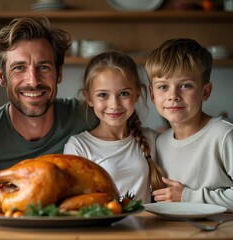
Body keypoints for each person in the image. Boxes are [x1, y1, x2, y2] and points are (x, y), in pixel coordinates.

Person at [0, 17, 97, 199]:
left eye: (43, 67)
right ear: (1, 76)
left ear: (58, 73)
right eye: (19, 68)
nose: (33, 81)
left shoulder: (89, 118)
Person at [63, 51, 165, 203]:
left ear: (137, 94)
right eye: (103, 95)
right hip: (101, 226)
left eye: (124, 93)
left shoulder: (151, 139)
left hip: (145, 226)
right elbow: (74, 201)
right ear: (88, 98)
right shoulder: (79, 146)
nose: (114, 105)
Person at [145, 38, 233, 211]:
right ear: (152, 95)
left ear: (205, 91)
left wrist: (187, 196)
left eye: (185, 85)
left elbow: (180, 197)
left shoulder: (224, 135)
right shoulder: (159, 142)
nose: (173, 95)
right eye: (163, 87)